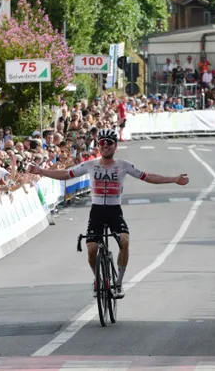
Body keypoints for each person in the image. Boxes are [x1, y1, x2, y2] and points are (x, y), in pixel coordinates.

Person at [28, 128, 189, 299]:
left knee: (124, 240)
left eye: (109, 143)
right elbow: (66, 174)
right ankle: (98, 278)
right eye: (102, 143)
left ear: (115, 146)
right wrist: (41, 171)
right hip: (96, 211)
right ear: (98, 146)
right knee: (91, 248)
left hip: (114, 211)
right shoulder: (90, 165)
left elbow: (147, 177)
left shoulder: (123, 165)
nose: (105, 146)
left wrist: (174, 179)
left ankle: (118, 283)